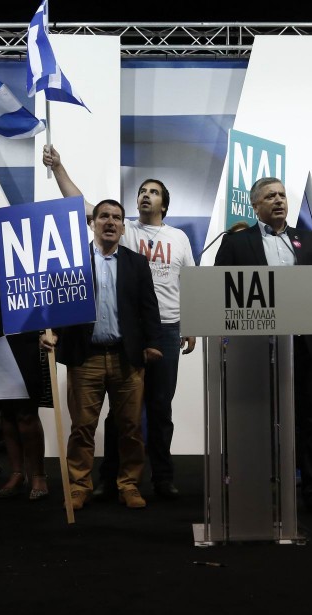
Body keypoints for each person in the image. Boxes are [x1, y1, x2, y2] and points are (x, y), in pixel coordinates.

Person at [42, 146, 196, 499]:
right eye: (142, 190)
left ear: (164, 204)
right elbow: (78, 202)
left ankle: (162, 478)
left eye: (153, 192)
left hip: (167, 329)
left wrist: (191, 324)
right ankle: (109, 478)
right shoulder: (124, 229)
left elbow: (190, 281)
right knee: (120, 416)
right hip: (126, 334)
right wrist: (59, 166)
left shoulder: (178, 237)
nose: (146, 195)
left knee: (159, 409)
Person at [214, 178, 312, 518]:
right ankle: (253, 491)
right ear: (255, 206)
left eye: (282, 195)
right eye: (270, 196)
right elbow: (220, 293)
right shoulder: (236, 243)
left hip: (304, 348)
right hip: (255, 349)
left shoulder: (307, 241)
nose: (279, 200)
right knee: (255, 422)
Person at [44, 200, 162, 510]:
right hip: (86, 358)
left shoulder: (137, 263)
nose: (111, 221)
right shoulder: (72, 262)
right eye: (104, 216)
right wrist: (50, 331)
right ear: (92, 223)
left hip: (127, 358)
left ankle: (129, 485)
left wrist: (153, 342)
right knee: (82, 427)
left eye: (117, 217)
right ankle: (79, 486)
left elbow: (149, 307)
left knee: (131, 427)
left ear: (123, 227)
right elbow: (56, 304)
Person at [0, 223, 51, 501]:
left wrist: (48, 334)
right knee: (6, 416)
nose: (0, 237)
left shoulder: (34, 268)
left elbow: (48, 308)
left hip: (28, 349)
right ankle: (17, 473)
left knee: (27, 415)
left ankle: (38, 475)